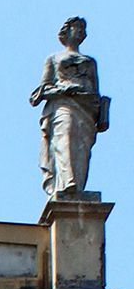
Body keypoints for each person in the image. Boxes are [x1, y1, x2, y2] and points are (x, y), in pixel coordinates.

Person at [30, 17, 109, 197]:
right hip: (63, 105)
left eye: (83, 28)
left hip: (86, 111)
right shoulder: (54, 58)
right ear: (66, 32)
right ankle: (67, 183)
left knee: (82, 149)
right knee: (64, 138)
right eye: (77, 27)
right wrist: (64, 89)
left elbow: (95, 91)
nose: (81, 31)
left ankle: (78, 187)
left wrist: (101, 112)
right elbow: (42, 89)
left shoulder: (90, 61)